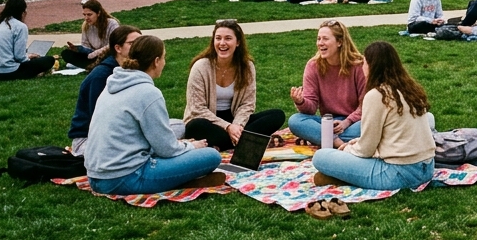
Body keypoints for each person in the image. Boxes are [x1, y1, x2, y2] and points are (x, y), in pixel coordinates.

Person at [84, 35, 225, 194]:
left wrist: (181, 145)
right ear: (156, 61)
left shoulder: (112, 84)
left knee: (177, 125)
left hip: (95, 176)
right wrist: (191, 146)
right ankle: (176, 179)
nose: (164, 63)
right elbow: (167, 149)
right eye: (164, 58)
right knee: (212, 156)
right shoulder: (149, 93)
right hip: (124, 177)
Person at [311, 41, 437, 191]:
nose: (362, 67)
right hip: (427, 169)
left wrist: (347, 150)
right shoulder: (410, 88)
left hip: (398, 173)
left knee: (321, 156)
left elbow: (366, 150)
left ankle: (342, 176)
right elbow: (389, 134)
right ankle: (343, 176)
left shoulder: (377, 95)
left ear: (371, 66)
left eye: (364, 63)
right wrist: (356, 142)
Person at [183, 21, 286, 150]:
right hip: (207, 121)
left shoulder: (247, 67)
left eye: (228, 38)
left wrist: (237, 126)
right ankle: (248, 140)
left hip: (235, 118)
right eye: (218, 38)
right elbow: (197, 109)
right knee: (195, 126)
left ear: (238, 42)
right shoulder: (200, 67)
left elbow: (247, 104)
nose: (222, 43)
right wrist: (228, 127)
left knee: (277, 115)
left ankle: (227, 142)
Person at [289, 21, 370, 148]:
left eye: (325, 39)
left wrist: (346, 122)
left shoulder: (358, 65)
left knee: (371, 125)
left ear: (339, 42)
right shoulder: (313, 66)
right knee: (295, 121)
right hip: (328, 123)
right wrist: (300, 101)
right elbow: (310, 109)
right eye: (318, 39)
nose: (320, 43)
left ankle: (323, 138)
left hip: (354, 122)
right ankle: (339, 144)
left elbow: (365, 105)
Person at [68, 25, 141, 156]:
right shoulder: (101, 77)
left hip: (120, 132)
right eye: (132, 43)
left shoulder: (130, 71)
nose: (139, 47)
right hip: (91, 140)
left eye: (141, 43)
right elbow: (100, 121)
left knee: (178, 126)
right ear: (118, 48)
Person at [0, 0, 55, 80]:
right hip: (8, 72)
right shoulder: (20, 26)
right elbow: (20, 57)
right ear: (23, 12)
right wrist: (29, 57)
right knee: (49, 60)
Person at [61, 0, 120, 69]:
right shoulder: (86, 25)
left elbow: (112, 45)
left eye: (89, 15)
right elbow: (86, 46)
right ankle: (92, 65)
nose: (86, 18)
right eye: (84, 15)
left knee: (110, 56)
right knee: (66, 53)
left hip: (107, 54)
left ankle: (91, 65)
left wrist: (94, 54)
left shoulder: (112, 23)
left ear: (98, 13)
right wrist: (79, 49)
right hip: (92, 55)